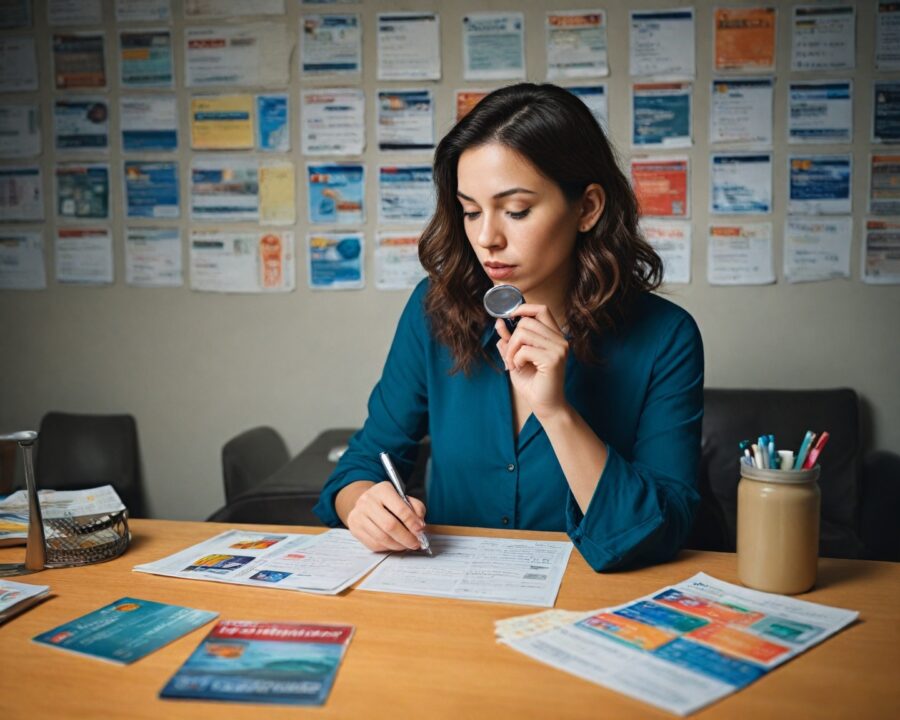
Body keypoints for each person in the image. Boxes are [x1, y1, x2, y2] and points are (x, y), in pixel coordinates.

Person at [313, 83, 704, 571]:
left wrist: (556, 412)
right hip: (452, 594)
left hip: (590, 598)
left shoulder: (666, 337)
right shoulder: (433, 309)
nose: (486, 238)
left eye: (516, 211)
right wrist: (364, 505)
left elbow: (661, 533)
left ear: (587, 208)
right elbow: (362, 464)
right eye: (470, 211)